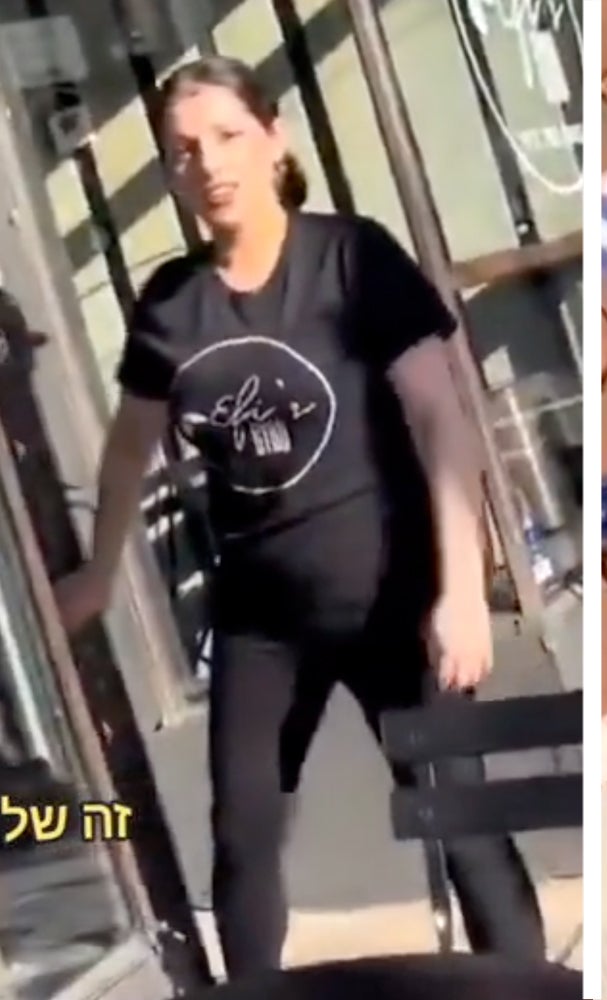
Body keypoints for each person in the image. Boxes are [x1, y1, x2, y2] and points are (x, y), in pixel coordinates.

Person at [52, 56, 544, 976]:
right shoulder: (171, 305)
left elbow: (442, 418)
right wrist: (101, 572)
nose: (208, 163)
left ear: (274, 140)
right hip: (264, 623)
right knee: (244, 835)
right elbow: (127, 449)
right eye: (183, 150)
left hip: (396, 601)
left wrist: (463, 591)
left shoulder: (352, 258)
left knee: (462, 823)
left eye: (227, 136)